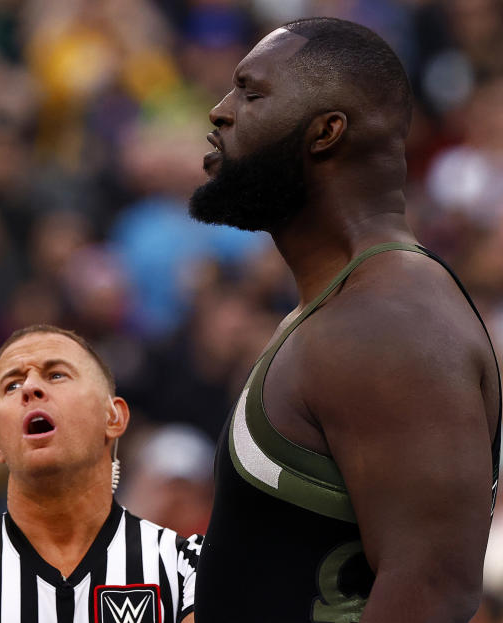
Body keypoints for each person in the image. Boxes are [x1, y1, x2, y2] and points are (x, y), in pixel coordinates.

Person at [188, 17, 501, 623]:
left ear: (326, 132)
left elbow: (433, 594)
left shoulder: (388, 322)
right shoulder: (343, 306)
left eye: (251, 94)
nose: (219, 112)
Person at [0, 325, 201, 623]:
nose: (29, 388)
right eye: (12, 385)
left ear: (113, 417)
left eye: (56, 375)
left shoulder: (189, 565)